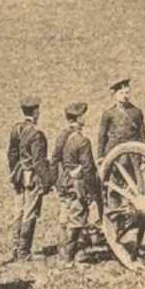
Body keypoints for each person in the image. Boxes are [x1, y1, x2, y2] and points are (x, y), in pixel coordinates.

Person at [52, 102, 101, 264]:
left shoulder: (61, 136)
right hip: (76, 184)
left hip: (62, 182)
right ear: (79, 118)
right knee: (76, 218)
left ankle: (61, 253)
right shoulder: (82, 141)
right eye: (83, 116)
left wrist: (56, 182)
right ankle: (68, 257)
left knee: (63, 217)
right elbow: (88, 170)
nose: (85, 118)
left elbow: (54, 161)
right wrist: (94, 193)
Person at [7, 97, 52, 261]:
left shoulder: (16, 129)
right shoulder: (36, 134)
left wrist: (14, 174)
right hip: (32, 176)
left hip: (18, 176)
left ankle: (14, 248)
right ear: (34, 112)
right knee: (30, 212)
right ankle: (24, 251)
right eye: (37, 110)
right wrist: (47, 182)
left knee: (18, 212)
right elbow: (39, 161)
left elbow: (11, 155)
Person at [97, 77, 145, 159]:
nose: (124, 96)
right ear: (115, 95)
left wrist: (144, 156)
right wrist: (100, 156)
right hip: (113, 153)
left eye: (127, 93)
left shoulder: (136, 112)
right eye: (121, 93)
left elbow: (142, 134)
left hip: (132, 153)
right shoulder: (108, 113)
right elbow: (102, 136)